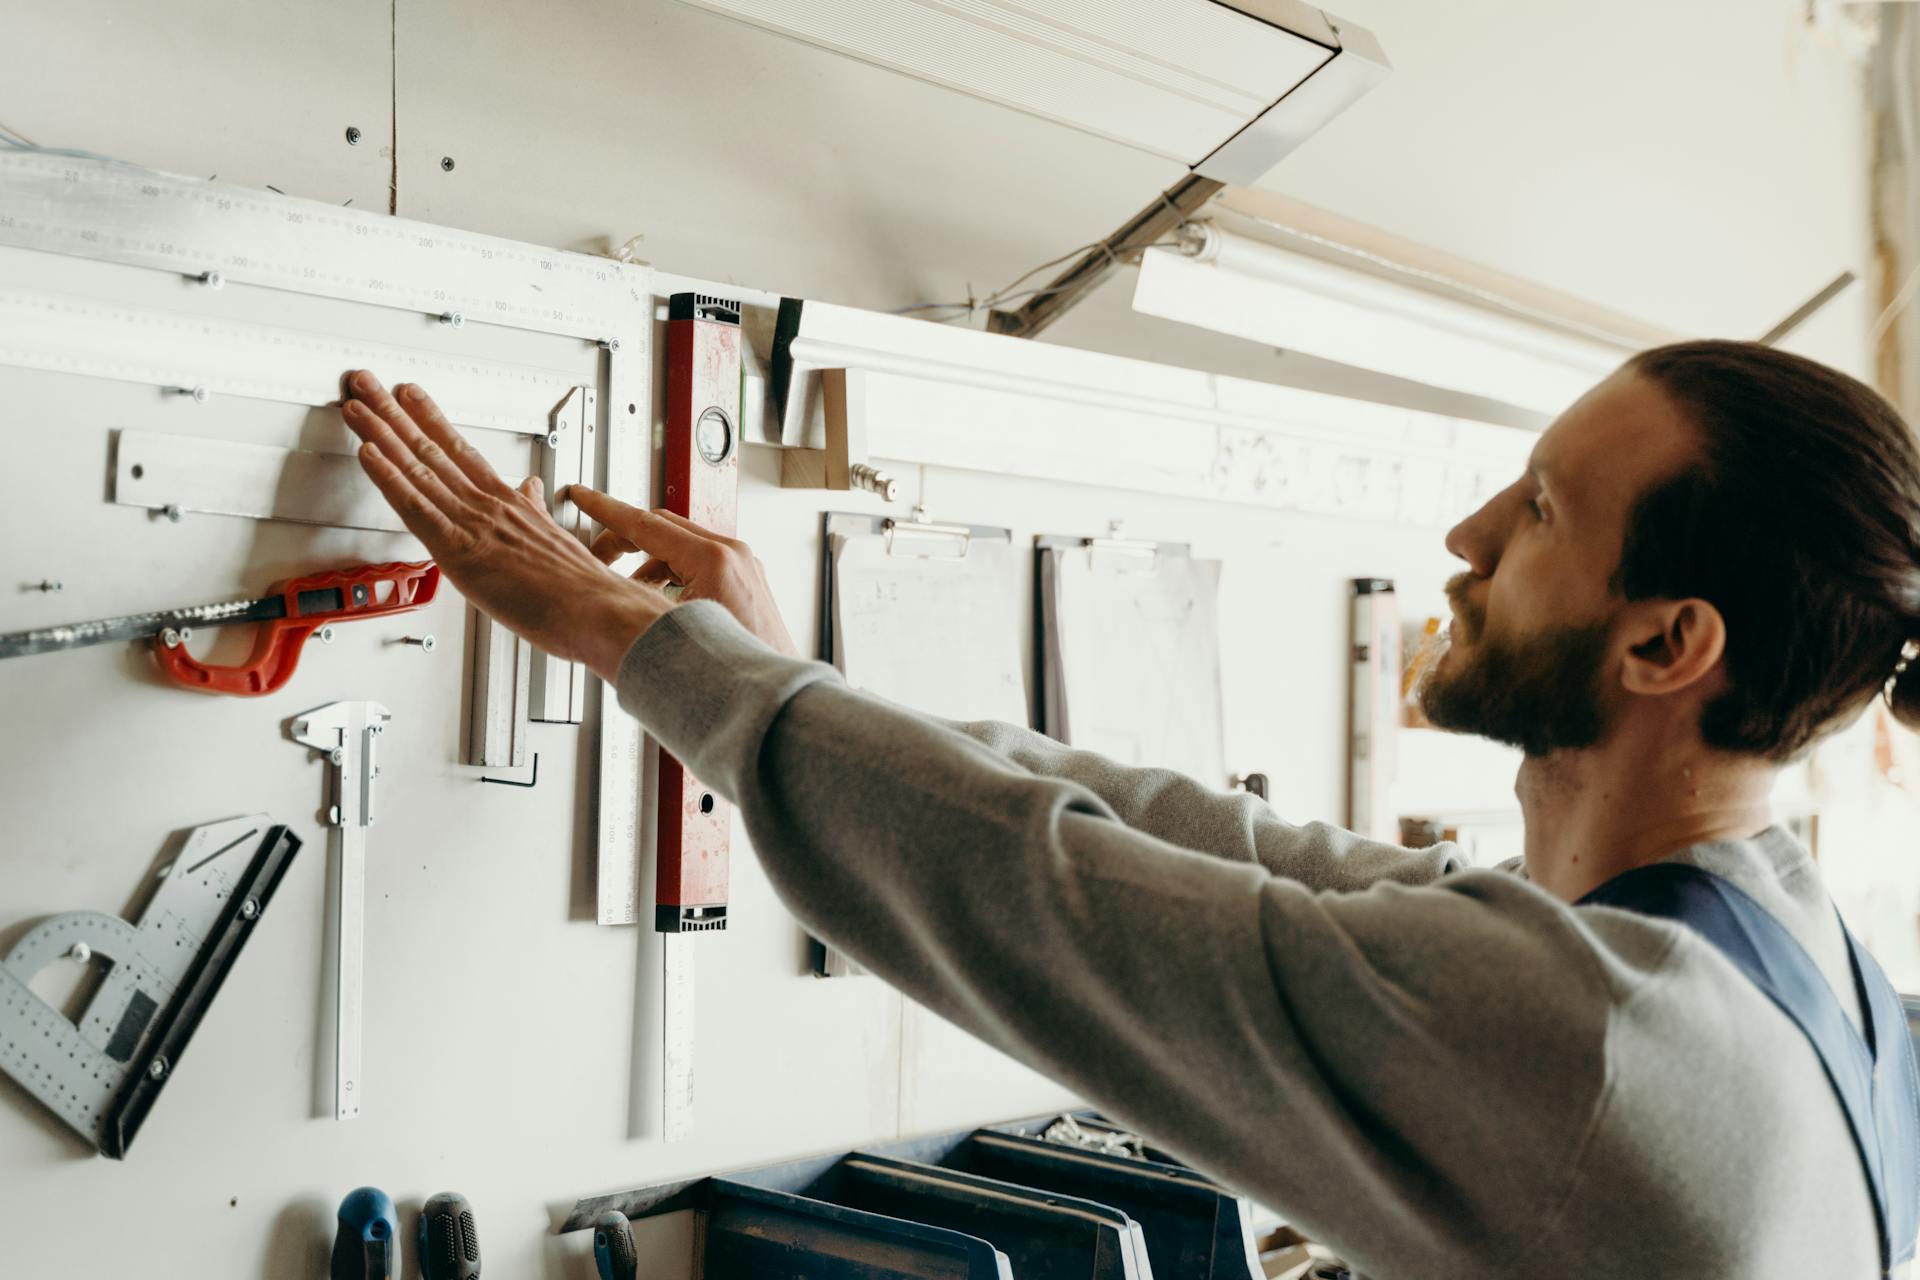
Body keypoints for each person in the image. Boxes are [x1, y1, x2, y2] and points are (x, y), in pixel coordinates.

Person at [336, 340, 1920, 1280]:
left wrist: (638, 640)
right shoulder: (1796, 968)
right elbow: (1208, 849)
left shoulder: (1584, 1033)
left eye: (1543, 512)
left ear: (1664, 645)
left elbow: (1042, 891)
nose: (1469, 533)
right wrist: (777, 670)